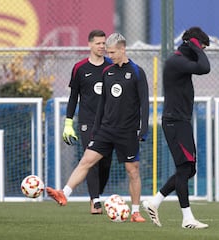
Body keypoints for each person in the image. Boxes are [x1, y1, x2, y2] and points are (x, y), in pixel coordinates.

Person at [47, 33, 149, 223]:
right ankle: (64, 193)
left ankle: (135, 212)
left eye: (112, 52)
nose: (109, 55)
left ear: (122, 49)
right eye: (107, 51)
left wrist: (143, 129)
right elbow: (103, 102)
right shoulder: (107, 72)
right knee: (86, 160)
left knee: (132, 170)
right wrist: (96, 128)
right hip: (106, 130)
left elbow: (144, 103)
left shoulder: (136, 71)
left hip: (127, 131)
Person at [142, 26, 210, 229]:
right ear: (194, 44)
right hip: (175, 122)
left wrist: (196, 47)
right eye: (202, 47)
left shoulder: (183, 60)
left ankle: (154, 202)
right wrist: (196, 47)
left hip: (181, 122)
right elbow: (204, 68)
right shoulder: (176, 60)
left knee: (189, 169)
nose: (203, 52)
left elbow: (202, 65)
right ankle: (187, 218)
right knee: (184, 168)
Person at [63, 30, 113, 214]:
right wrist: (68, 123)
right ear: (90, 44)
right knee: (90, 160)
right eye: (98, 43)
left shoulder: (111, 66)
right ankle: (95, 200)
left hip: (109, 123)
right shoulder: (79, 68)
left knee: (106, 163)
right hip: (87, 122)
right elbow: (73, 97)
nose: (102, 47)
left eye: (104, 43)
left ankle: (96, 194)